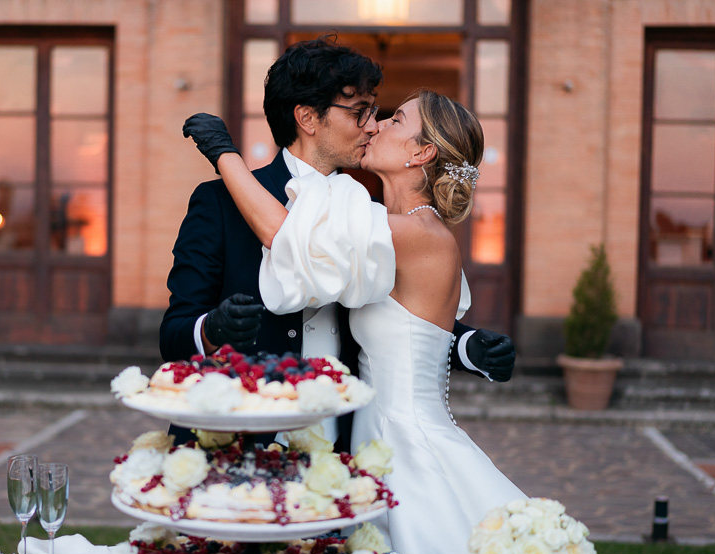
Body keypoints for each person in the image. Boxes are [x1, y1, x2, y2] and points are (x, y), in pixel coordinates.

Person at [184, 89, 635, 554]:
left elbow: (288, 239)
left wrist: (226, 155)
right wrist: (466, 348)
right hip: (369, 438)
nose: (375, 126)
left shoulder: (416, 234)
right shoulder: (390, 223)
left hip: (405, 446)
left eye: (395, 119)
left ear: (421, 153)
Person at [160, 36, 515, 448]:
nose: (373, 124)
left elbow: (397, 321)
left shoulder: (371, 215)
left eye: (378, 112)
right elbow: (173, 334)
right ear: (308, 118)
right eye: (360, 111)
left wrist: (465, 343)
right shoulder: (219, 203)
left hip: (342, 447)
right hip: (239, 442)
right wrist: (211, 330)